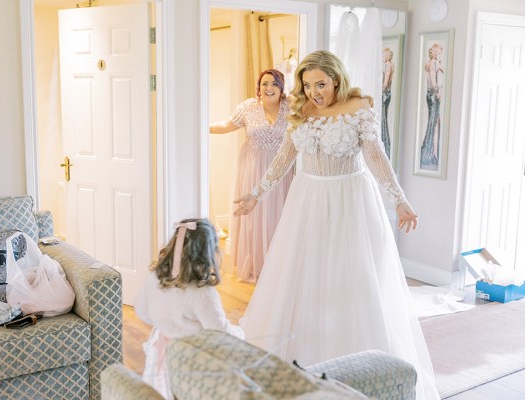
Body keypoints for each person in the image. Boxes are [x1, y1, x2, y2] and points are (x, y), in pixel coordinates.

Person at [233, 50, 440, 400]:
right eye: (308, 84)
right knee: (306, 276)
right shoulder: (301, 111)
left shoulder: (358, 107)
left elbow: (376, 157)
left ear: (336, 80)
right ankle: (305, 361)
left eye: (321, 84)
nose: (314, 91)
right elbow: (284, 158)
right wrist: (256, 194)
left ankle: (358, 362)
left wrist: (400, 201)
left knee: (350, 276)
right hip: (308, 201)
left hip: (349, 202)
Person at [134, 218, 244, 399]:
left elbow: (142, 311)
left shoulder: (156, 277)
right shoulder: (202, 291)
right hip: (193, 360)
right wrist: (240, 333)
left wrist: (167, 324)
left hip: (162, 351)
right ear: (208, 252)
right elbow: (219, 331)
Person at [210, 69, 294, 283]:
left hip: (282, 168)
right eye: (265, 84)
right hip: (253, 167)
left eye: (274, 84)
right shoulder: (249, 107)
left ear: (282, 88)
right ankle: (257, 266)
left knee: (281, 214)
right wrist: (202, 127)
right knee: (256, 216)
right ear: (259, 88)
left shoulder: (292, 107)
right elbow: (228, 125)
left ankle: (280, 267)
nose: (269, 88)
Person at [420, 43, 444, 170]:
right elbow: (434, 83)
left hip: (429, 96)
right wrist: (439, 89)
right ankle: (428, 154)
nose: (440, 55)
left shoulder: (429, 63)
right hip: (434, 96)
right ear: (434, 53)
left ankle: (433, 153)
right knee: (433, 124)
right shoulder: (433, 63)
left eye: (441, 53)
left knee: (435, 123)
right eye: (438, 53)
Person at [381, 47, 395, 159]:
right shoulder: (388, 64)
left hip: (384, 94)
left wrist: (378, 90)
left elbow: (385, 83)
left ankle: (384, 147)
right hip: (386, 94)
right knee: (383, 120)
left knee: (382, 120)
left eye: (384, 54)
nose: (383, 56)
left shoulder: (388, 65)